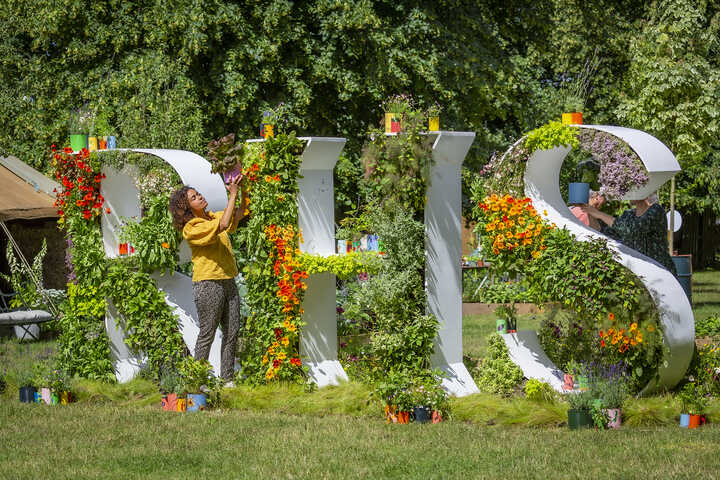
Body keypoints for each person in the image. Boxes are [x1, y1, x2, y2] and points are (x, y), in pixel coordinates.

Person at [169, 176, 247, 385]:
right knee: (208, 334)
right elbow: (223, 224)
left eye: (198, 193)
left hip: (227, 280)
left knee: (232, 332)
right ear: (187, 209)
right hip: (208, 284)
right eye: (194, 197)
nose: (200, 197)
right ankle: (197, 383)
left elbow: (238, 214)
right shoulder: (192, 228)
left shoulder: (212, 217)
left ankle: (227, 381)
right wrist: (232, 194)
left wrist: (242, 190)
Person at [580, 193, 677, 275]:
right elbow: (605, 233)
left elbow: (631, 230)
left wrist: (600, 214)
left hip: (660, 271)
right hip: (640, 273)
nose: (628, 192)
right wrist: (590, 211)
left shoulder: (656, 210)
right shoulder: (629, 214)